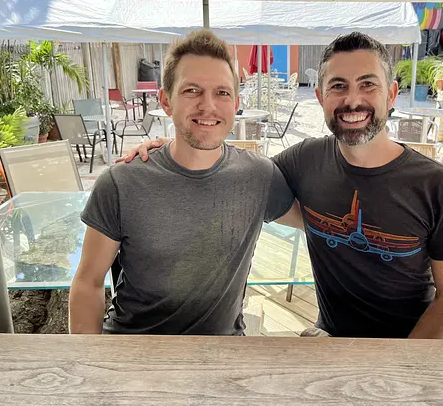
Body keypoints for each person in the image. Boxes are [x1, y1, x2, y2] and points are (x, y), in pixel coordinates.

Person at [124, 32, 443, 339]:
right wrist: (171, 151)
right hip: (329, 339)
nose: (352, 100)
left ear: (391, 95)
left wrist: (398, 363)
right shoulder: (304, 161)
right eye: (338, 86)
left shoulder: (438, 186)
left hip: (411, 345)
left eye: (367, 85)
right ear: (321, 97)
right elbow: (229, 175)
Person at [69, 30, 302, 335]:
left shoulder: (260, 177)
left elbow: (323, 223)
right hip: (135, 351)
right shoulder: (121, 182)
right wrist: (91, 366)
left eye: (222, 92)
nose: (208, 105)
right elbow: (88, 283)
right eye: (192, 91)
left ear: (236, 103)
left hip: (222, 353)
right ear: (166, 100)